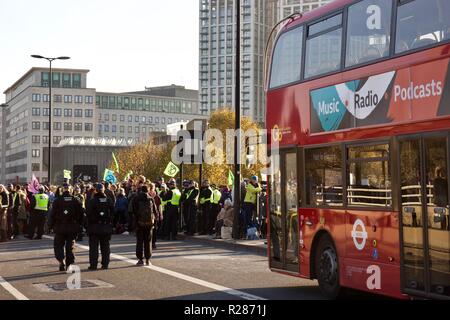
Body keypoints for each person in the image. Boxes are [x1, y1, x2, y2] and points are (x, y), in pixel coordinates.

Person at [49, 184, 84, 271]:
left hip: (60, 226)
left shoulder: (57, 201)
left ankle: (61, 260)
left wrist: (50, 225)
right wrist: (81, 225)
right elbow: (81, 214)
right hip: (72, 226)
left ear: (62, 190)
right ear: (70, 190)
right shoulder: (76, 200)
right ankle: (69, 264)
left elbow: (52, 214)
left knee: (58, 245)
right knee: (70, 246)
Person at [86, 183, 114, 270]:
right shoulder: (108, 200)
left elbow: (88, 213)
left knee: (94, 248)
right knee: (105, 247)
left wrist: (88, 226)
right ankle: (105, 264)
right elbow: (113, 213)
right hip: (106, 226)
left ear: (96, 190)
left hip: (94, 226)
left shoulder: (92, 201)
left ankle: (93, 265)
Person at [132, 185, 157, 266]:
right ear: (148, 190)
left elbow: (133, 211)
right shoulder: (150, 198)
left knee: (139, 241)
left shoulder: (136, 198)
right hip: (149, 223)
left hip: (139, 223)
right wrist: (154, 222)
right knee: (148, 241)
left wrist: (135, 222)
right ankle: (148, 259)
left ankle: (140, 259)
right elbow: (155, 211)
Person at [148, 183, 162, 249]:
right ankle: (151, 243)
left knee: (154, 229)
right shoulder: (147, 196)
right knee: (152, 229)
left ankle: (152, 243)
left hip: (154, 215)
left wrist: (161, 214)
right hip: (150, 215)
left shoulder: (157, 197)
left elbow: (159, 206)